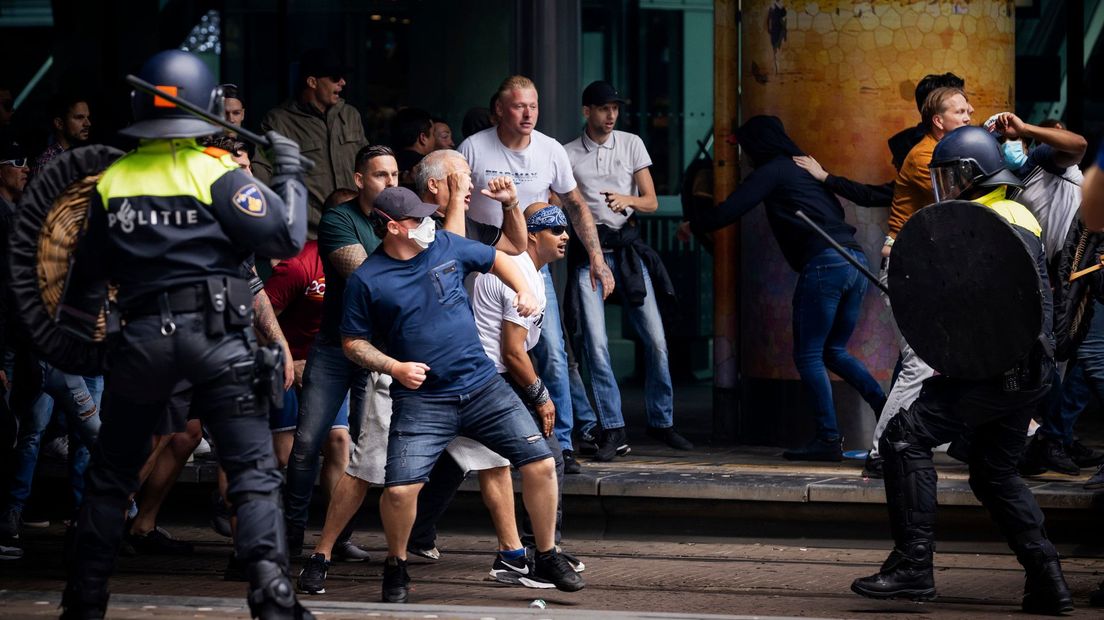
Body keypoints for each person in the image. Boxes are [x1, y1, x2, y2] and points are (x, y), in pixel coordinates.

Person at [56, 49, 312, 619]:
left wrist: (86, 350)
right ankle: (272, 601)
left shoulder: (112, 180)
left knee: (109, 477)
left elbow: (85, 287)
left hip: (141, 343)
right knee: (251, 472)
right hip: (219, 338)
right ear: (210, 109)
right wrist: (291, 173)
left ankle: (84, 600)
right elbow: (287, 240)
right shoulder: (217, 173)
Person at [851, 126, 1072, 616]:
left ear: (972, 175)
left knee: (903, 439)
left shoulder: (985, 219)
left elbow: (984, 307)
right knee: (993, 473)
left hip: (998, 369)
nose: (944, 185)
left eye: (950, 176)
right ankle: (1048, 582)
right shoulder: (1012, 213)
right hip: (1024, 371)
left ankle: (912, 566)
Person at [340, 186, 585, 603]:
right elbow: (352, 342)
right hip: (422, 400)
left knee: (541, 462)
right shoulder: (367, 279)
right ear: (394, 227)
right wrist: (393, 366)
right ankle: (395, 564)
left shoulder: (446, 244)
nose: (427, 224)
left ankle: (545, 554)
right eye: (417, 219)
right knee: (400, 490)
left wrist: (523, 289)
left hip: (482, 386)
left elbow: (498, 258)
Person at [690, 116, 886, 461]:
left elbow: (729, 210)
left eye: (745, 148)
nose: (743, 156)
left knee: (809, 355)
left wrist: (693, 223)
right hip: (854, 262)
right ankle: (889, 413)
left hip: (826, 263)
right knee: (833, 351)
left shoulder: (773, 170)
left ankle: (827, 438)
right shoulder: (804, 170)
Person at [458, 75, 616, 459]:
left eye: (533, 106)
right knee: (484, 350)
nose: (527, 113)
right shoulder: (473, 149)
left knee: (553, 353)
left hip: (532, 265)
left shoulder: (549, 150)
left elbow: (575, 204)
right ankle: (487, 440)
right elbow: (456, 206)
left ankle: (560, 444)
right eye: (518, 106)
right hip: (482, 262)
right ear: (499, 109)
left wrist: (597, 257)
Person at [563, 80, 690, 463]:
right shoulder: (568, 153)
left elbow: (650, 201)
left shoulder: (632, 143)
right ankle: (612, 427)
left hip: (628, 251)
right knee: (597, 346)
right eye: (603, 108)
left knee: (656, 340)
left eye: (615, 108)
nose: (611, 115)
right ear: (587, 111)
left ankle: (661, 420)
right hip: (591, 253)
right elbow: (563, 202)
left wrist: (627, 199)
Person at [283, 145, 398, 560]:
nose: (391, 182)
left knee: (356, 450)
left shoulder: (401, 220)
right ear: (360, 180)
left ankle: (339, 537)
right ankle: (292, 535)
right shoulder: (339, 218)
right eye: (382, 175)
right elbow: (366, 278)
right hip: (335, 347)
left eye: (395, 175)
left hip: (377, 351)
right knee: (307, 444)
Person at [862, 86, 973, 476]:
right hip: (907, 268)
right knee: (919, 362)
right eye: (959, 111)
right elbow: (966, 196)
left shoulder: (948, 151)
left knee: (958, 357)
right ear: (938, 121)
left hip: (929, 270)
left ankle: (965, 439)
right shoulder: (927, 156)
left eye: (969, 108)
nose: (969, 114)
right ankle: (880, 452)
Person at [254, 47, 368, 236]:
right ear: (312, 82)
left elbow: (368, 166)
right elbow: (262, 177)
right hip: (309, 237)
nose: (342, 82)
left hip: (355, 229)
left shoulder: (350, 115)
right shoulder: (279, 122)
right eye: (335, 77)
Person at [31, 94, 91, 177]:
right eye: (79, 117)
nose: (88, 123)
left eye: (87, 117)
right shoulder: (48, 164)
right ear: (59, 123)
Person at [391, 107, 435, 189]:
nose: (434, 139)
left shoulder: (388, 164)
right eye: (433, 134)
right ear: (423, 138)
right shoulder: (429, 168)